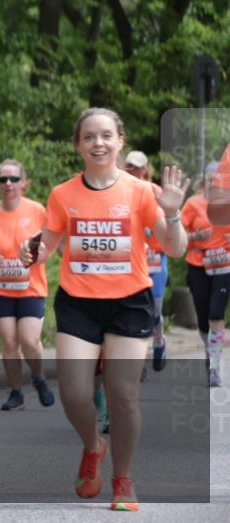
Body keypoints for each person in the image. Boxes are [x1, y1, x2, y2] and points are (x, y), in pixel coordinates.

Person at [20, 108, 188, 512]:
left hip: (130, 302)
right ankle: (94, 444)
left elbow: (175, 247)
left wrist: (172, 211)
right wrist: (32, 252)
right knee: (75, 394)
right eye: (90, 137)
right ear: (78, 144)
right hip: (79, 303)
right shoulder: (62, 194)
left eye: (106, 136)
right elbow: (46, 249)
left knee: (122, 396)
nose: (98, 143)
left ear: (120, 141)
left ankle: (123, 480)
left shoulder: (140, 192)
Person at [0, 159, 55, 411]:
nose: (8, 183)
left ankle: (38, 377)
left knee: (29, 340)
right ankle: (16, 392)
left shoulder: (37, 211)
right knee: (9, 342)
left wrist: (38, 253)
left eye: (14, 179)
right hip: (1, 287)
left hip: (31, 286)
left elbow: (50, 243)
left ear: (24, 183)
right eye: (3, 179)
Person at [181, 161, 229, 387]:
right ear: (205, 180)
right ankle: (210, 353)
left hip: (224, 266)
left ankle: (214, 367)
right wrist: (195, 238)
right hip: (197, 265)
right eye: (211, 178)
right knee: (202, 319)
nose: (215, 182)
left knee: (216, 314)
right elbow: (177, 236)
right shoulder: (193, 204)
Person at [122, 150, 169, 373]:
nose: (133, 170)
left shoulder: (155, 191)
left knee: (155, 309)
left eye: (137, 166)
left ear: (145, 169)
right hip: (130, 261)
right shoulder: (119, 190)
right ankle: (137, 361)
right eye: (129, 165)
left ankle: (159, 340)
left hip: (155, 260)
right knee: (134, 311)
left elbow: (166, 226)